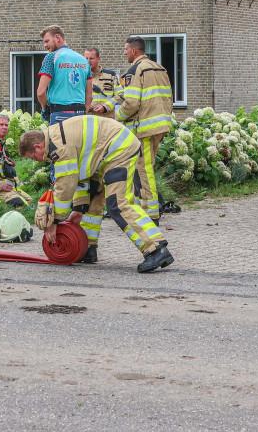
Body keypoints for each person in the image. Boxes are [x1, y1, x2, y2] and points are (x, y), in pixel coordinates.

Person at [18, 117, 174, 273]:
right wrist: (78, 210)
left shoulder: (58, 147)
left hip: (118, 150)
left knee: (119, 205)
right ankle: (87, 248)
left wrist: (55, 221)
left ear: (38, 146)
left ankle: (156, 248)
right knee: (92, 201)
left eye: (33, 157)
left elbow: (66, 185)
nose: (37, 160)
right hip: (104, 154)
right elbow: (81, 179)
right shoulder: (55, 138)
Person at [115, 37, 174, 225]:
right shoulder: (159, 68)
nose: (124, 52)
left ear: (134, 51)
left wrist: (118, 117)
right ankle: (147, 209)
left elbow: (131, 103)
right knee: (147, 169)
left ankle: (151, 215)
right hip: (160, 125)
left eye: (125, 49)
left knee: (143, 171)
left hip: (144, 129)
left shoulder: (134, 70)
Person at [36, 25, 92, 127]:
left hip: (59, 113)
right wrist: (84, 111)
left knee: (59, 143)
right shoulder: (84, 60)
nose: (45, 45)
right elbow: (89, 95)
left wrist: (45, 109)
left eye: (47, 41)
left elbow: (40, 92)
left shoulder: (51, 57)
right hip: (80, 113)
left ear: (58, 38)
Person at [84, 47, 122, 118]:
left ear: (98, 58)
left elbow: (120, 95)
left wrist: (105, 107)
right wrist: (87, 106)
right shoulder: (82, 77)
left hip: (107, 121)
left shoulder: (111, 75)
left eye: (91, 58)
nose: (88, 61)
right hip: (88, 120)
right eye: (86, 58)